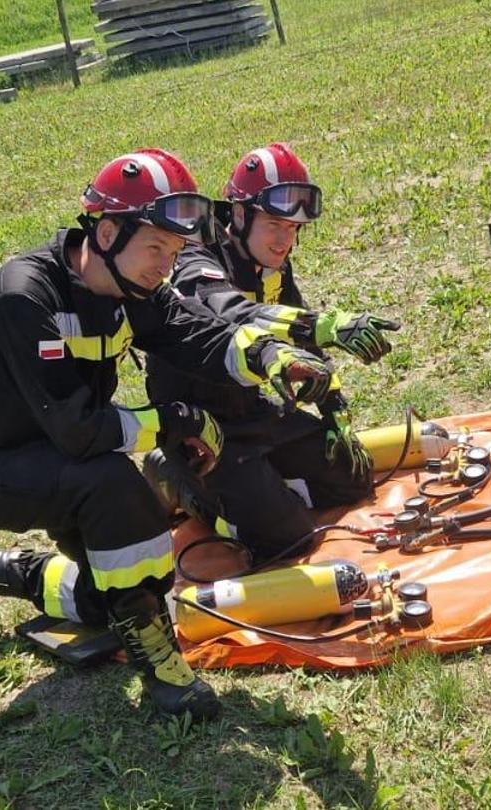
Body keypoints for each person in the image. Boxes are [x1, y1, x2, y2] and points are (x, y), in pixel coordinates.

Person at [0, 148, 333, 719]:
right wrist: (173, 422)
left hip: (54, 455)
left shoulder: (128, 283)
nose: (164, 268)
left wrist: (271, 356)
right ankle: (163, 669)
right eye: (155, 249)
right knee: (115, 488)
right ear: (109, 232)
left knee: (109, 601)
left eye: (172, 252)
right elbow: (79, 432)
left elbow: (201, 335)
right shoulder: (27, 297)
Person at [143, 143, 400, 563]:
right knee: (287, 537)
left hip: (253, 408)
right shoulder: (194, 258)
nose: (286, 239)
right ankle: (172, 475)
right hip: (200, 425)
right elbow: (229, 310)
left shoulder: (274, 264)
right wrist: (322, 322)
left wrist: (335, 408)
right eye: (276, 224)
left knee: (353, 479)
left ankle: (260, 484)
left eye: (296, 228)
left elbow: (304, 346)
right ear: (240, 215)